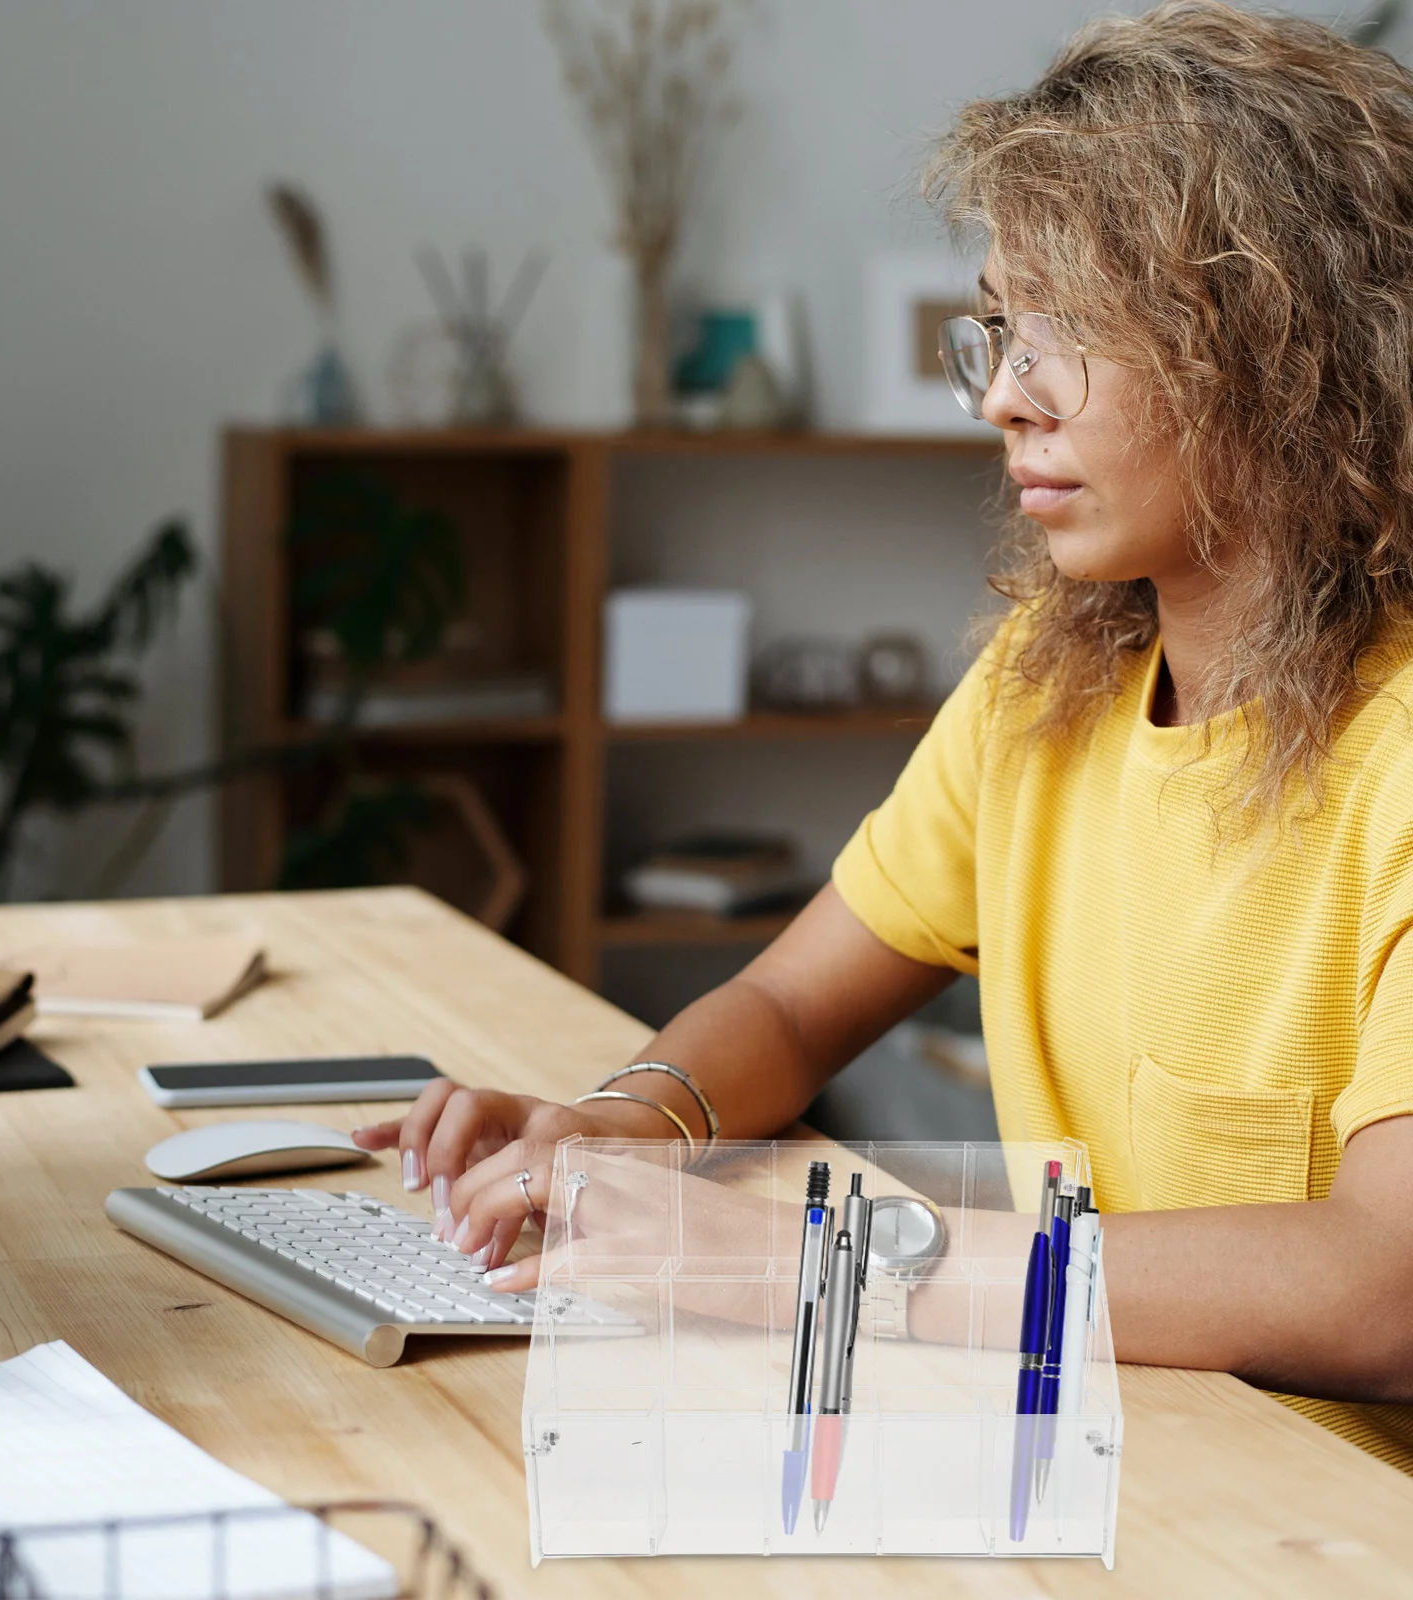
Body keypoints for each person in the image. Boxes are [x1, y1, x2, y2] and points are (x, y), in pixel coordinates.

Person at [355, 1, 1413, 1471]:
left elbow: (1386, 1289)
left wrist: (809, 1262)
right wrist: (619, 1129)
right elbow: (791, 1010)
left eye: (1074, 333)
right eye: (1000, 322)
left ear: (1293, 353)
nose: (1000, 395)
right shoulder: (1046, 686)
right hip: (1103, 1462)